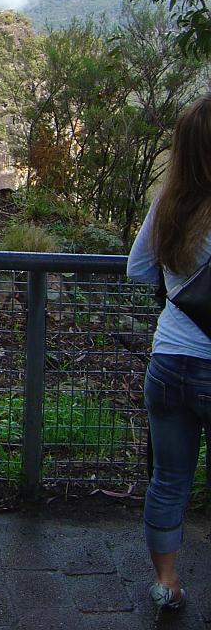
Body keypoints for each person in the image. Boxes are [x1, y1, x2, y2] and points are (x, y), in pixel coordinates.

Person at [127, 93, 211, 613]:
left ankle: (167, 583)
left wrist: (179, 276)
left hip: (170, 360)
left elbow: (137, 269)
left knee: (169, 479)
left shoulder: (169, 204)